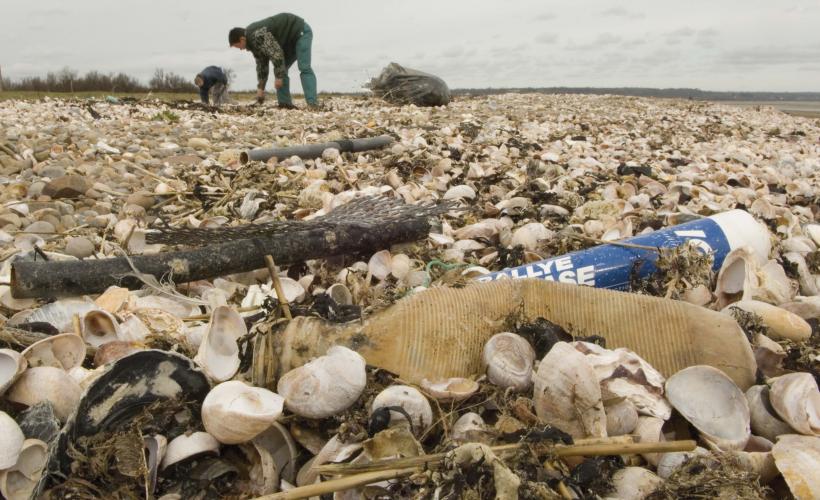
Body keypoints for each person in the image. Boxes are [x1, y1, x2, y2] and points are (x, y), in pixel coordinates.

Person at [228, 13, 319, 110]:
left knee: (304, 67)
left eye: (237, 46)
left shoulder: (257, 35)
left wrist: (279, 77)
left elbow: (276, 53)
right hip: (288, 42)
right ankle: (285, 104)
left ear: (242, 40)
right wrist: (261, 88)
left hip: (300, 32)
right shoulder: (252, 44)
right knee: (281, 69)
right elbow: (262, 65)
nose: (240, 49)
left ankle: (312, 104)